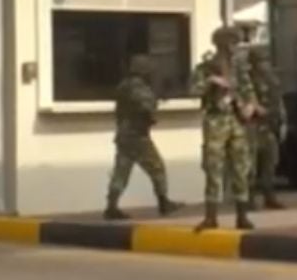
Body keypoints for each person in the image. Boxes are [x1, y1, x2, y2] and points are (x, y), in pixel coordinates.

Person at [191, 25, 259, 231]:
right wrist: (211, 82)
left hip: (236, 121)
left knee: (241, 167)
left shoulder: (239, 69)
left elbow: (249, 92)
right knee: (214, 167)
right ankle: (211, 215)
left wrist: (249, 106)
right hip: (215, 120)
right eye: (231, 43)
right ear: (221, 44)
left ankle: (242, 215)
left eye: (235, 43)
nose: (234, 48)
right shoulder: (205, 68)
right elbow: (193, 89)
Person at [103, 54, 182, 220]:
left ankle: (111, 206)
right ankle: (163, 202)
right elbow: (147, 108)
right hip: (137, 136)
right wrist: (155, 106)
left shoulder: (124, 85)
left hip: (124, 136)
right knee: (157, 167)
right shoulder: (139, 88)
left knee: (121, 172)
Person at [247, 43, 286, 211]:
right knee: (251, 165)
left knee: (270, 163)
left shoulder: (272, 79)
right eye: (261, 60)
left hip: (270, 126)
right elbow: (243, 97)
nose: (265, 64)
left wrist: (283, 121)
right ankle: (248, 199)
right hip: (252, 126)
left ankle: (270, 197)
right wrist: (255, 107)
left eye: (266, 60)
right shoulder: (248, 79)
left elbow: (279, 101)